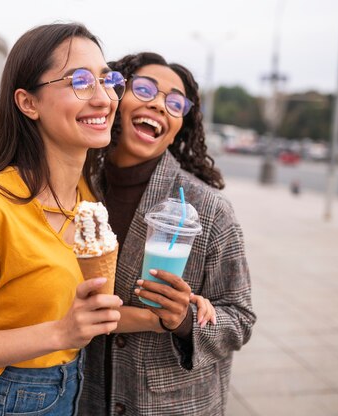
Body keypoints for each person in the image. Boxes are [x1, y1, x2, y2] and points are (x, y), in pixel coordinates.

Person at [0, 23, 127, 415]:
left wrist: (169, 318)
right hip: (0, 402)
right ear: (28, 102)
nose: (104, 98)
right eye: (80, 81)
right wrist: (60, 333)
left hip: (69, 391)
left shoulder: (86, 198)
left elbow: (82, 318)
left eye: (107, 79)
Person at [80, 52, 256, 415]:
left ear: (180, 126)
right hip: (86, 398)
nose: (159, 104)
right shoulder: (80, 188)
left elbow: (239, 319)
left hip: (168, 404)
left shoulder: (207, 209)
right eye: (144, 89)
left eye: (175, 103)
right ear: (114, 96)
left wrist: (184, 320)